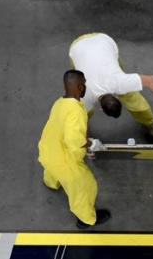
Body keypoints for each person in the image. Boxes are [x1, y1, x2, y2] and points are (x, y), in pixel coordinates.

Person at [69, 32, 153, 140]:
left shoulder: (120, 82)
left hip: (101, 42)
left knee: (128, 94)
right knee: (84, 113)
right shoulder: (84, 96)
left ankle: (150, 124)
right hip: (78, 48)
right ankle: (149, 123)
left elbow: (152, 81)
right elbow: (152, 81)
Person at [38, 70, 110, 228]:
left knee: (53, 170)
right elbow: (74, 140)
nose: (85, 87)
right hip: (63, 160)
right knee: (85, 187)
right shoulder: (76, 111)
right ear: (79, 87)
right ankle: (87, 219)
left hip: (47, 150)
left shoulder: (60, 102)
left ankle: (51, 183)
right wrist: (91, 144)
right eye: (84, 84)